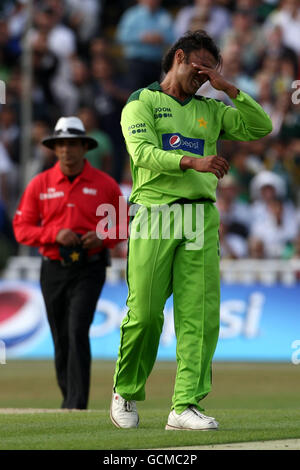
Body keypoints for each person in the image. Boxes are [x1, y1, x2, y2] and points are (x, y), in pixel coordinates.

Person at [110, 30, 272, 431]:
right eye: (198, 68)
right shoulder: (141, 102)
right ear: (178, 57)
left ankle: (185, 405)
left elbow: (260, 127)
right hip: (154, 214)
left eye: (209, 72)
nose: (202, 78)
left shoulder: (211, 109)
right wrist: (192, 162)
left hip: (200, 217)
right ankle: (126, 391)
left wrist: (229, 88)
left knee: (198, 316)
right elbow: (143, 153)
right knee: (145, 315)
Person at [13, 116, 126, 410]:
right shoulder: (40, 184)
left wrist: (101, 237)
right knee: (60, 334)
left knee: (77, 328)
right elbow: (21, 228)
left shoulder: (105, 184)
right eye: (62, 144)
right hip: (53, 267)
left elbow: (123, 226)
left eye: (73, 144)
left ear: (84, 147)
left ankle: (77, 403)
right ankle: (69, 397)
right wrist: (54, 234)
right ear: (55, 148)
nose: (67, 150)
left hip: (90, 266)